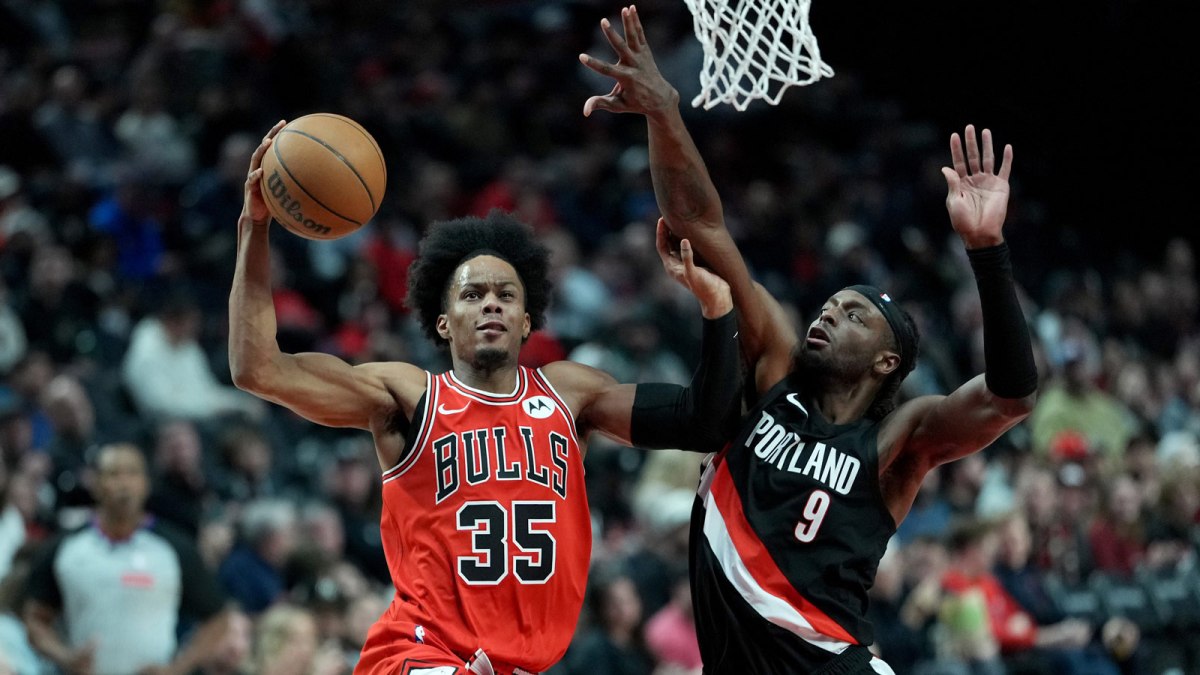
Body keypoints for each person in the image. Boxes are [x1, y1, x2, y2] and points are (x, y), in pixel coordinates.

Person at [580, 7, 1039, 673]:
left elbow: (1009, 398)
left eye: (854, 315)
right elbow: (700, 223)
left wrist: (988, 250)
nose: (829, 314)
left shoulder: (896, 441)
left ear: (886, 360)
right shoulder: (774, 370)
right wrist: (664, 114)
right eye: (830, 304)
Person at [229, 123, 741, 674]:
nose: (491, 304)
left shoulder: (571, 395)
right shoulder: (408, 397)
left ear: (527, 320)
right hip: (419, 654)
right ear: (444, 322)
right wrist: (254, 228)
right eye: (472, 294)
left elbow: (705, 421)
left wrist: (717, 310)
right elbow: (259, 369)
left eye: (505, 294)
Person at [21, 442, 231, 675]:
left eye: (132, 473)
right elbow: (35, 618)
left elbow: (219, 619)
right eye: (113, 474)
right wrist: (65, 657)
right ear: (95, 484)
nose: (124, 484)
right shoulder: (65, 547)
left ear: (145, 484)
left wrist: (178, 668)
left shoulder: (175, 548)